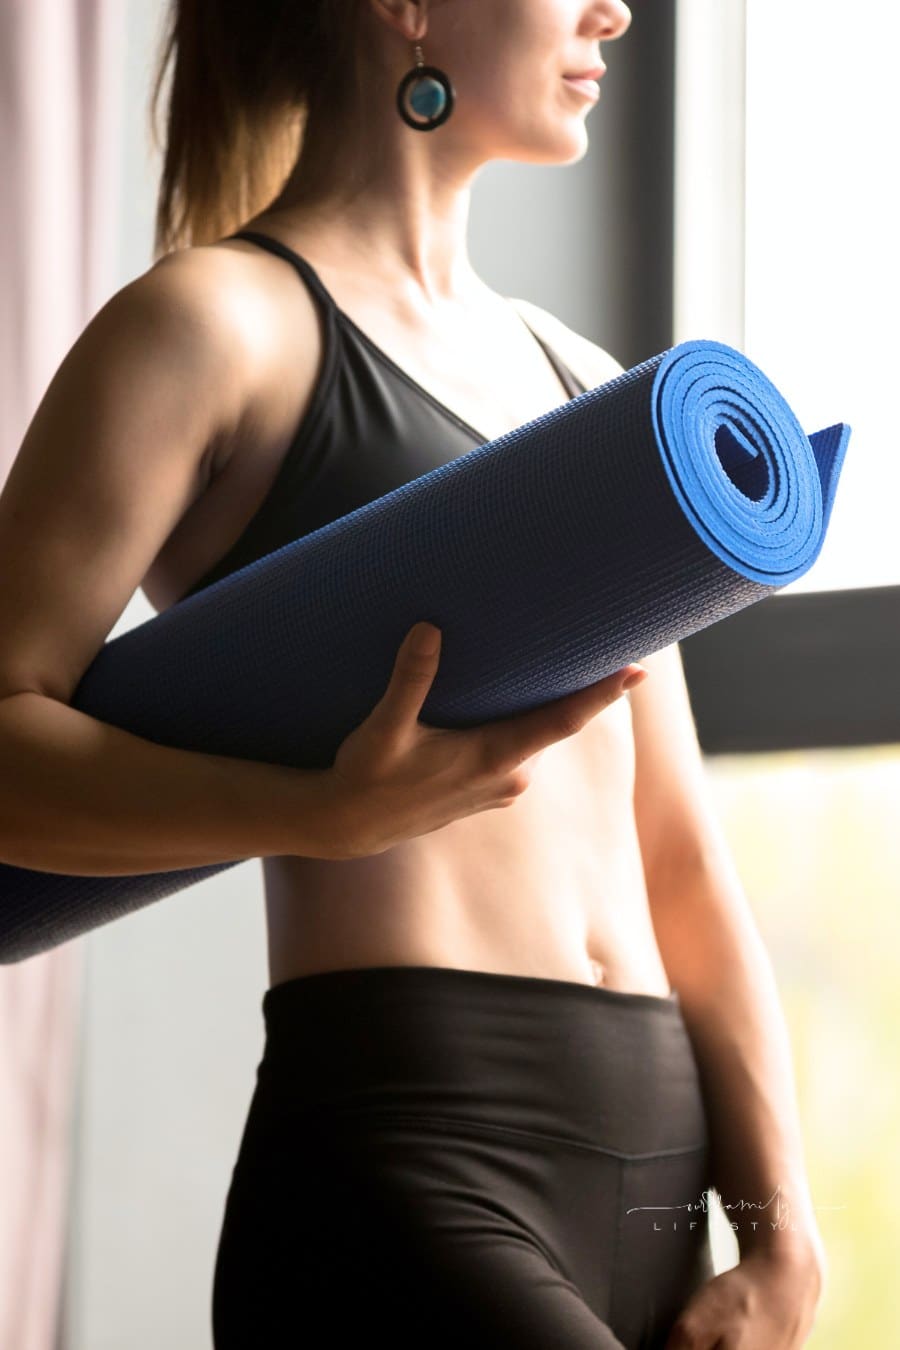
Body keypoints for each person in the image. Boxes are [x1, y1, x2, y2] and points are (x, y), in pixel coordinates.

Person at [0, 0, 827, 1346]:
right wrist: (311, 811)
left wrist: (784, 1231)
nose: (612, 8)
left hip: (662, 1196)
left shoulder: (588, 383)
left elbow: (678, 853)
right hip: (413, 1165)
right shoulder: (215, 328)